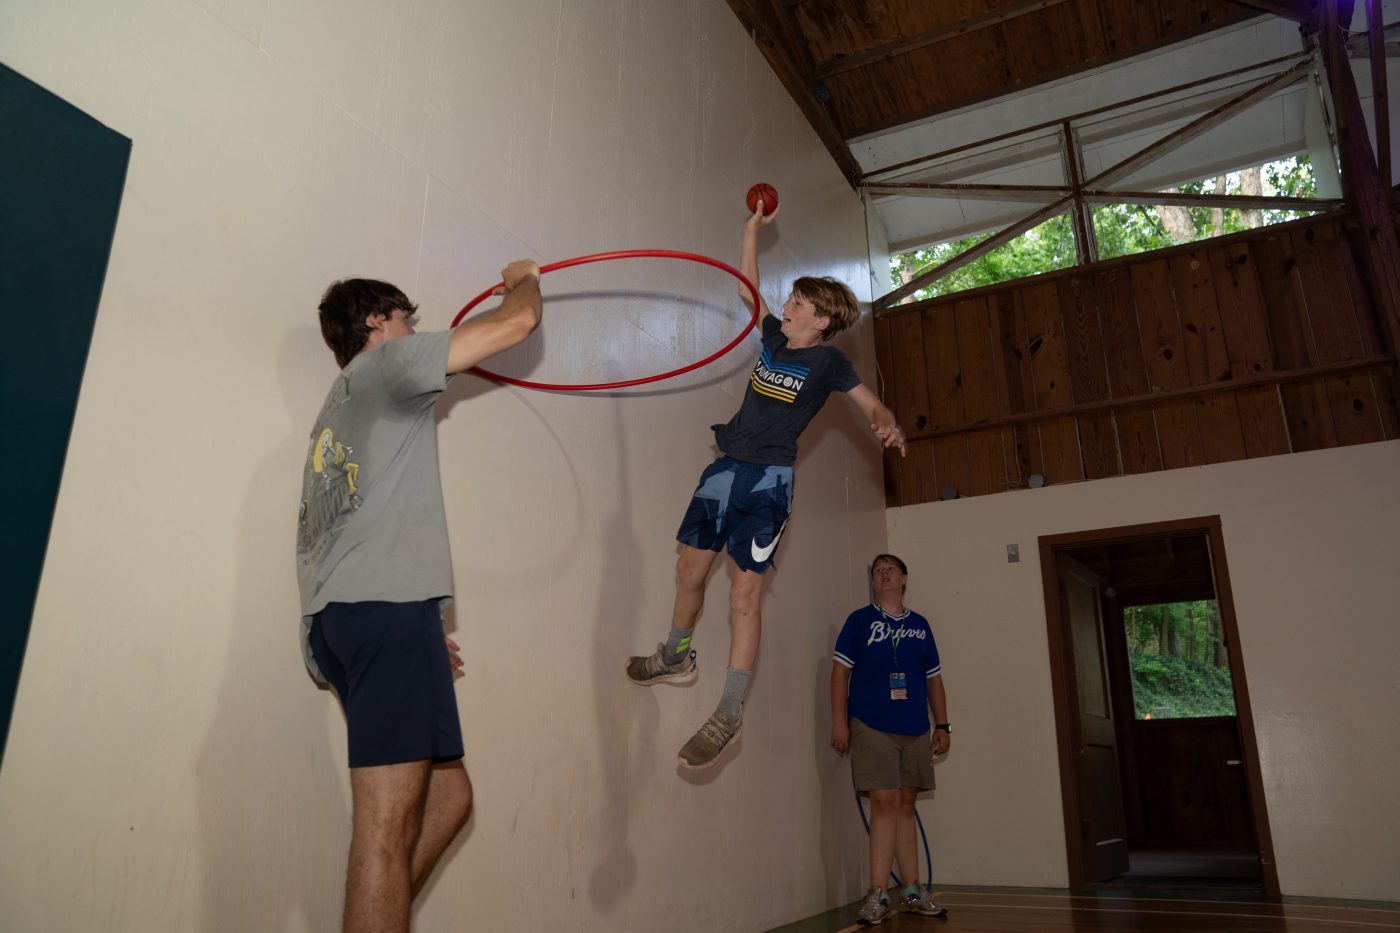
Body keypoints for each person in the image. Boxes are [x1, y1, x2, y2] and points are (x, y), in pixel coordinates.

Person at [296, 262, 543, 933]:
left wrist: (416, 627)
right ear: (377, 323)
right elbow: (518, 322)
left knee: (447, 797)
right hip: (381, 615)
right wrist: (521, 280)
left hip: (346, 621)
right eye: (408, 319)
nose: (415, 332)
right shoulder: (385, 365)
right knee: (385, 829)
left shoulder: (341, 403)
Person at [626, 200, 908, 770]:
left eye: (799, 302)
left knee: (742, 596)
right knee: (689, 572)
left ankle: (729, 712)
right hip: (725, 469)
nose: (788, 305)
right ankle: (675, 655)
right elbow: (747, 288)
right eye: (791, 299)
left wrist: (886, 423)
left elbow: (869, 403)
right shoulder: (775, 339)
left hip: (769, 484)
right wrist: (750, 230)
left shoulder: (829, 365)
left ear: (821, 321)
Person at [830, 554, 950, 925]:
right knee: (884, 802)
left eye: (890, 569)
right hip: (871, 724)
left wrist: (943, 725)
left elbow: (933, 679)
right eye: (878, 570)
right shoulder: (859, 621)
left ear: (904, 578)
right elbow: (839, 674)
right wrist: (839, 722)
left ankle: (911, 891)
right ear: (873, 582)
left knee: (906, 805)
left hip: (914, 726)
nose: (884, 573)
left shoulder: (921, 626)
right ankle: (878, 893)